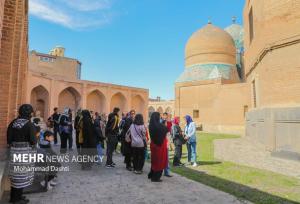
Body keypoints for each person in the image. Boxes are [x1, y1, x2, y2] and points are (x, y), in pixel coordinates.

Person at [7, 104, 36, 204]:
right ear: (29, 113)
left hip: (14, 151)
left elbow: (9, 139)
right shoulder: (29, 124)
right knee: (22, 175)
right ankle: (16, 200)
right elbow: (33, 140)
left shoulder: (13, 123)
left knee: (16, 175)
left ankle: (15, 197)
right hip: (24, 153)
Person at [148, 112, 168, 182]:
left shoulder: (151, 125)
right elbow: (165, 129)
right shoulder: (159, 126)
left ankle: (152, 174)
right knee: (159, 161)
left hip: (153, 144)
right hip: (160, 145)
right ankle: (155, 177)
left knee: (154, 161)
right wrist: (164, 125)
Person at [161, 113, 172, 177]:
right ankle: (165, 172)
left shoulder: (168, 124)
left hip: (164, 144)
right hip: (164, 145)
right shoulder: (163, 129)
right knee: (165, 158)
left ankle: (166, 171)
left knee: (165, 158)